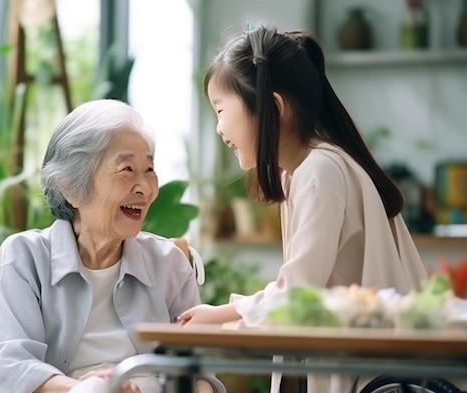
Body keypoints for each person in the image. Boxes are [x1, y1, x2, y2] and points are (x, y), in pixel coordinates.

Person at [177, 24, 429, 393]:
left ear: (275, 108)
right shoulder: (302, 173)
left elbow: (298, 291)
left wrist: (219, 316)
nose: (218, 128)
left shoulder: (318, 171)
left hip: (370, 373)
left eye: (220, 109)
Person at [0, 99, 223, 393]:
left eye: (149, 169)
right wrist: (91, 387)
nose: (144, 187)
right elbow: (13, 364)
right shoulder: (25, 256)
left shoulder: (168, 263)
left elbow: (200, 371)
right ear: (69, 187)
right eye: (127, 169)